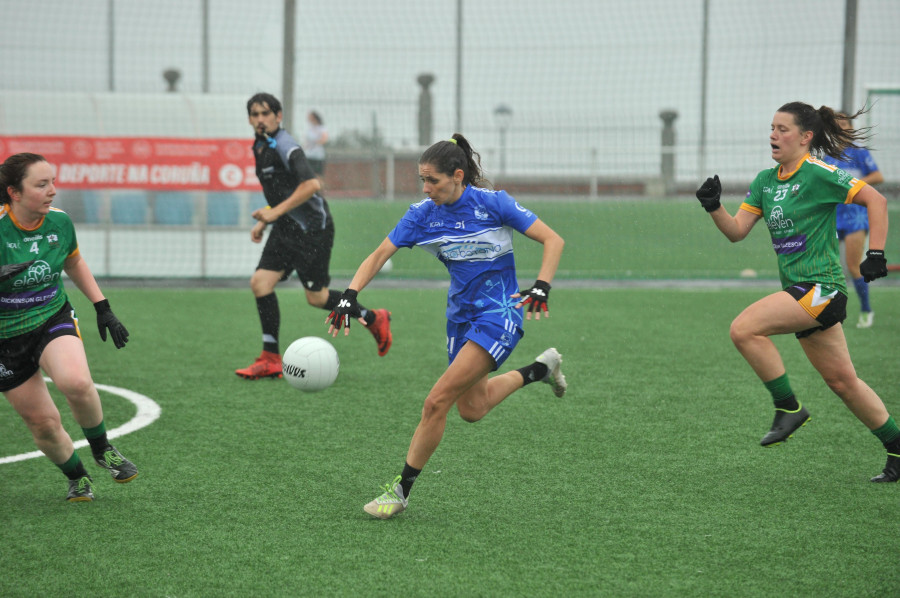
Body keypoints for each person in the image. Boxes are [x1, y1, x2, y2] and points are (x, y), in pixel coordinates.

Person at [327, 134, 568, 519]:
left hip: (500, 313)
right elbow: (379, 255)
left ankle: (400, 492)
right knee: (473, 409)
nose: (426, 188)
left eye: (432, 180)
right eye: (422, 180)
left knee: (435, 401)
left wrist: (542, 286)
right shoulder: (422, 214)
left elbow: (552, 240)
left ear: (458, 176)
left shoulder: (493, 203)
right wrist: (349, 294)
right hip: (460, 317)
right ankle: (541, 368)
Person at [694, 101, 898, 483]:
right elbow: (737, 231)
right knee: (843, 383)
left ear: (806, 137)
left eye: (783, 129)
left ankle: (789, 408)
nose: (773, 134)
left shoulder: (819, 173)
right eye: (772, 127)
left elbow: (877, 199)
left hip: (822, 289)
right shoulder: (765, 181)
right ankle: (898, 447)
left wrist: (875, 253)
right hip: (800, 292)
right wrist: (713, 207)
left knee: (744, 329)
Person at [0, 152, 137, 502]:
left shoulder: (58, 222)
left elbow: (73, 260)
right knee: (43, 424)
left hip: (50, 316)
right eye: (42, 184)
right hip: (4, 340)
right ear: (14, 193)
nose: (53, 191)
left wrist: (102, 306)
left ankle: (103, 448)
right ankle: (77, 477)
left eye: (53, 182)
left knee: (76, 382)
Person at [236, 93, 391, 379]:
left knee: (317, 298)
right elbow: (286, 191)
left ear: (278, 116)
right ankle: (270, 358)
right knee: (260, 283)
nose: (260, 119)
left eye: (265, 113)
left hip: (312, 231)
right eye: (254, 114)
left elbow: (310, 185)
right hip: (285, 228)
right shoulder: (259, 146)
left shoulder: (286, 145)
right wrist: (269, 217)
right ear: (249, 119)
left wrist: (273, 213)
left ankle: (373, 317)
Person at [821, 115, 885, 329]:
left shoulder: (858, 151)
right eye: (837, 125)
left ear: (851, 128)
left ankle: (866, 309)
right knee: (826, 266)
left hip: (855, 216)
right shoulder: (827, 155)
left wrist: (852, 184)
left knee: (852, 265)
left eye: (845, 124)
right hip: (832, 215)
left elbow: (877, 176)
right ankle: (826, 311)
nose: (841, 128)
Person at [303, 111, 328, 179]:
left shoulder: (321, 128)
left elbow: (324, 139)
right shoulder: (310, 129)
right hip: (309, 155)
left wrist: (316, 142)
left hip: (318, 156)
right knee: (309, 175)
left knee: (318, 175)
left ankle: (320, 189)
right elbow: (306, 142)